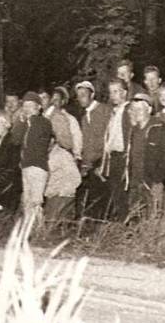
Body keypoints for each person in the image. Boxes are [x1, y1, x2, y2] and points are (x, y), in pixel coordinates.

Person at [126, 93, 165, 217]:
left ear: (149, 110)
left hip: (152, 182)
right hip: (135, 182)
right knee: (136, 215)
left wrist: (159, 180)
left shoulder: (159, 127)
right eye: (133, 109)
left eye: (139, 109)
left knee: (154, 215)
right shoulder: (134, 130)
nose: (136, 112)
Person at [10, 91, 52, 224]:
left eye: (30, 105)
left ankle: (40, 230)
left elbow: (34, 137)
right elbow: (15, 140)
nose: (26, 109)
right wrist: (20, 122)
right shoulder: (26, 123)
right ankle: (29, 230)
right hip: (26, 166)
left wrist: (28, 119)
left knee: (36, 202)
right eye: (25, 106)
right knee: (27, 201)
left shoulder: (43, 122)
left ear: (39, 107)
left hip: (38, 167)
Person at [44, 86, 82, 224]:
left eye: (57, 99)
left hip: (65, 157)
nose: (54, 102)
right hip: (49, 159)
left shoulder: (68, 119)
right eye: (52, 99)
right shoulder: (44, 117)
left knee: (64, 191)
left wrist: (76, 155)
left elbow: (76, 140)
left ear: (63, 101)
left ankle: (63, 221)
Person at [75, 80, 112, 219]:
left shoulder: (104, 110)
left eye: (83, 94)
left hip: (103, 162)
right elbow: (86, 142)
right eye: (78, 95)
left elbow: (109, 136)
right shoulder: (84, 117)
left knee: (104, 200)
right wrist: (85, 163)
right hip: (90, 165)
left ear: (92, 95)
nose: (80, 98)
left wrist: (102, 161)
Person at [101, 78, 132, 220]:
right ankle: (120, 220)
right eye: (111, 92)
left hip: (123, 156)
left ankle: (126, 221)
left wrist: (127, 154)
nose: (112, 95)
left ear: (124, 93)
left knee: (122, 191)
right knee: (115, 191)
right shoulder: (114, 112)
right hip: (113, 156)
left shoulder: (128, 110)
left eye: (116, 92)